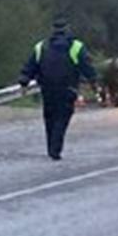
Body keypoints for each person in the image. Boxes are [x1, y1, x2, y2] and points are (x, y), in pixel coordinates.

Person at [18, 16, 97, 160]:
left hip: (47, 88)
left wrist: (24, 82)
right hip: (68, 89)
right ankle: (55, 149)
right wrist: (94, 83)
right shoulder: (76, 46)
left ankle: (51, 147)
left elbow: (30, 66)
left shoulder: (41, 46)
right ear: (68, 29)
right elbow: (87, 67)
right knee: (62, 118)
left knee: (50, 118)